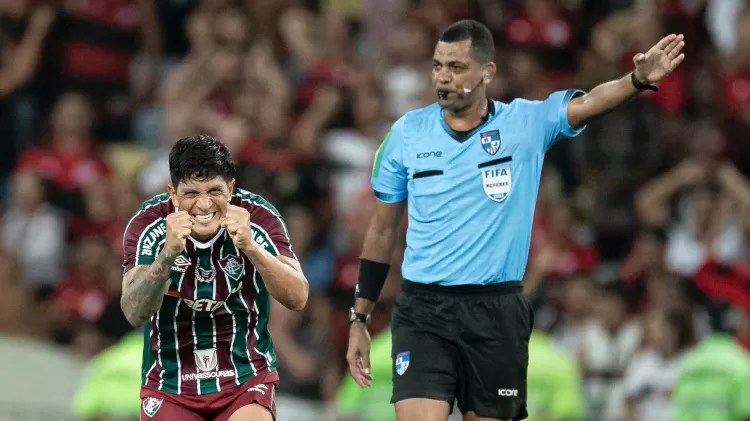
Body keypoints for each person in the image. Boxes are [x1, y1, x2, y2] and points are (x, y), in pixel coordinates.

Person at [345, 19, 685, 421]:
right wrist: (360, 317)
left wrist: (637, 80)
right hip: (424, 310)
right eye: (437, 66)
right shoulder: (406, 134)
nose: (443, 77)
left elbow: (589, 103)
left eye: (456, 67)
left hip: (496, 312)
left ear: (487, 72)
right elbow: (381, 230)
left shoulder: (524, 124)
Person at [120, 134, 309, 421]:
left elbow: (298, 297)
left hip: (245, 376)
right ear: (173, 194)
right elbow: (133, 312)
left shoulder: (257, 217)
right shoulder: (149, 224)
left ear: (231, 189)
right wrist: (167, 254)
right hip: (171, 382)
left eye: (214, 191)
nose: (205, 205)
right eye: (191, 194)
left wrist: (251, 247)